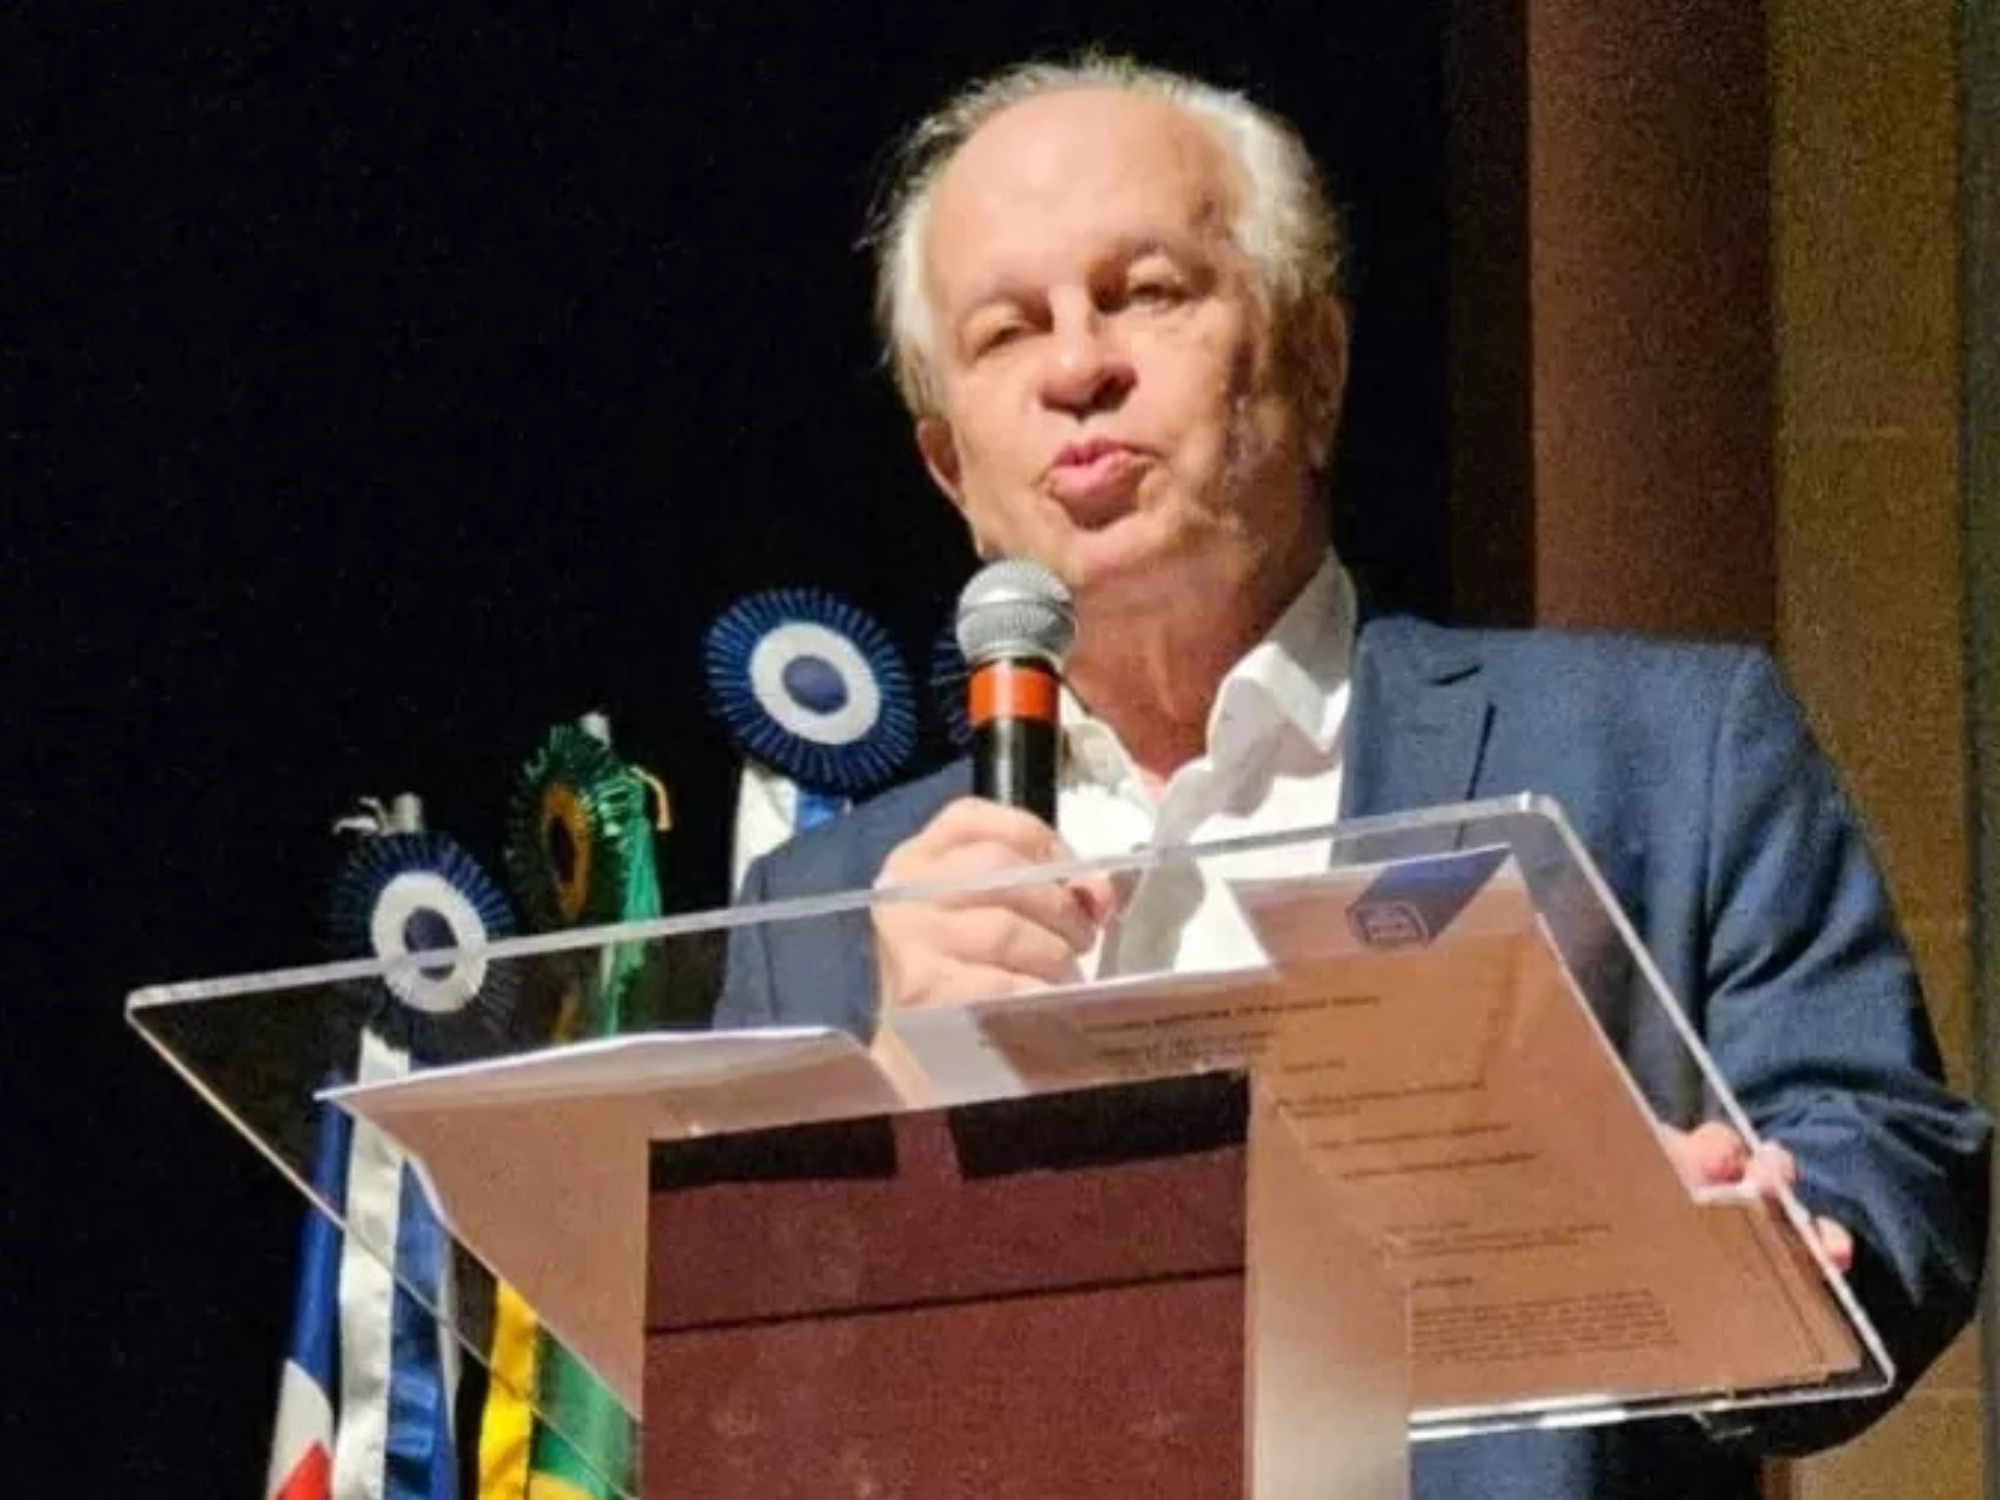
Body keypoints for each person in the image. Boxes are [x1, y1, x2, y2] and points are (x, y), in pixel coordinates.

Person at [716, 53, 1990, 1497]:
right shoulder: (819, 912)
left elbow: (1887, 1160)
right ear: (953, 471)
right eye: (1009, 330)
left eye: (1146, 293)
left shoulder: (1663, 752)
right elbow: (751, 1420)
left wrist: (1754, 1250)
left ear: (1315, 369)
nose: (1078, 370)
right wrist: (890, 1111)